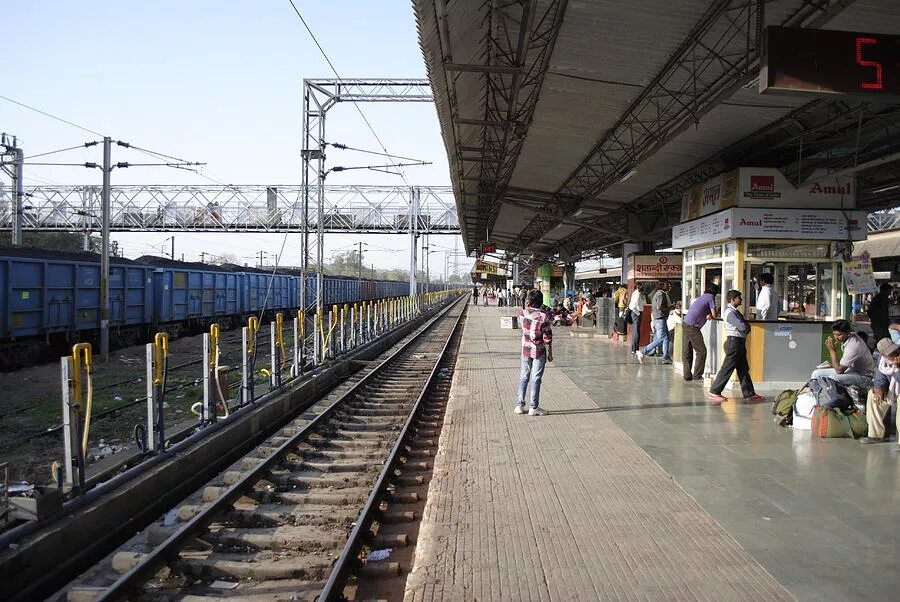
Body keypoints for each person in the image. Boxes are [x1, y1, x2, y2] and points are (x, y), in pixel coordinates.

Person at [707, 290, 765, 404]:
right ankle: (714, 391)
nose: (741, 300)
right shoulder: (730, 313)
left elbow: (745, 325)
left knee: (743, 369)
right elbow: (743, 327)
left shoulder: (735, 312)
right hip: (734, 342)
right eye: (739, 298)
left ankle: (749, 393)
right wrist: (746, 326)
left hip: (739, 342)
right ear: (733, 299)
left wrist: (746, 326)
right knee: (727, 368)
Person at [515, 288, 553, 416]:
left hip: (525, 349)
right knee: (536, 378)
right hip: (539, 351)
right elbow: (547, 337)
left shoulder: (522, 313)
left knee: (524, 376)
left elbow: (521, 325)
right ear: (541, 302)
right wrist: (550, 353)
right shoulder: (543, 316)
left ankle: (519, 406)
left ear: (529, 301)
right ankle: (533, 408)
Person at [810, 319, 875, 389]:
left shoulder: (853, 345)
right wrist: (833, 365)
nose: (836, 337)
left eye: (839, 335)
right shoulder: (848, 338)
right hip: (851, 371)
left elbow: (839, 370)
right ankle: (817, 395)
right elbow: (841, 366)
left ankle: (834, 398)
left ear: (848, 332)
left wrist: (832, 350)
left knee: (833, 379)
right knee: (816, 374)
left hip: (864, 377)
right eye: (834, 334)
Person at [860, 337, 900, 445]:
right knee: (873, 395)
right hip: (892, 392)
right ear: (883, 355)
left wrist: (898, 368)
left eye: (895, 351)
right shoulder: (882, 361)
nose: (894, 354)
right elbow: (879, 377)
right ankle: (875, 435)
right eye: (890, 353)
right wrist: (879, 389)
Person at [682, 285, 719, 382]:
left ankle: (687, 375)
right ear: (714, 293)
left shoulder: (702, 297)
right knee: (702, 351)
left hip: (685, 323)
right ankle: (697, 375)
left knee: (687, 351)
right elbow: (714, 315)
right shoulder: (710, 297)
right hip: (693, 326)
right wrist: (713, 313)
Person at [635, 281, 673, 364]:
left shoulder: (658, 293)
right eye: (668, 285)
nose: (669, 287)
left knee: (666, 337)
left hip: (660, 318)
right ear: (663, 285)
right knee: (661, 338)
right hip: (660, 318)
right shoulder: (661, 294)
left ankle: (665, 357)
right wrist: (669, 308)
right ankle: (643, 351)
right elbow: (659, 307)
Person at [628, 284, 646, 354]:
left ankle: (635, 348)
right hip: (636, 313)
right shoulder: (637, 294)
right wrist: (638, 312)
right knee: (636, 331)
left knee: (636, 330)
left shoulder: (635, 293)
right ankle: (635, 349)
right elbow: (634, 305)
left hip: (635, 313)